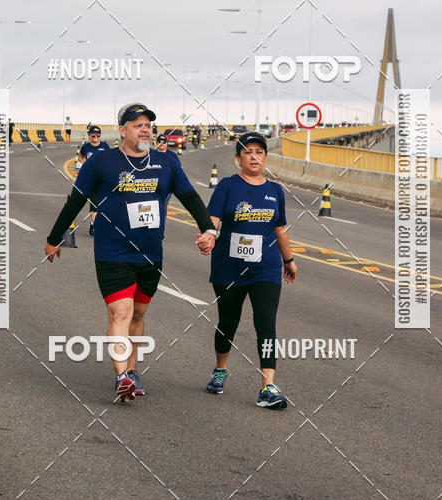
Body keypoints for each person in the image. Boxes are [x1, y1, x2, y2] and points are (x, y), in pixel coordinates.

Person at [45, 102, 216, 401]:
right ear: (122, 130)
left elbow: (189, 196)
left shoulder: (167, 163)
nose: (145, 128)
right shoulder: (101, 163)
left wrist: (209, 230)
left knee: (138, 314)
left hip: (150, 252)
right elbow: (75, 200)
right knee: (119, 312)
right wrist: (55, 236)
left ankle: (132, 371)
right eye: (137, 124)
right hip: (113, 252)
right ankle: (121, 375)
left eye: (148, 124)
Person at [205, 132, 297, 409]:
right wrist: (209, 235)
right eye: (248, 152)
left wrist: (288, 260)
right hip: (229, 267)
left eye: (259, 151)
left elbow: (279, 228)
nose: (254, 156)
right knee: (228, 322)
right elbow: (213, 219)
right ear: (238, 158)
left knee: (266, 323)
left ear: (265, 157)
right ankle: (220, 370)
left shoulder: (275, 191)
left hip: (265, 268)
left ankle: (268, 386)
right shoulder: (227, 187)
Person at [78, 125, 109, 236]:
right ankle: (94, 228)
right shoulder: (86, 147)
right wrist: (84, 164)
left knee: (104, 204)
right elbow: (80, 157)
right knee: (94, 205)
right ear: (89, 135)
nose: (95, 136)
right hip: (91, 180)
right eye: (93, 134)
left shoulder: (105, 146)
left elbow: (110, 159)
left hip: (104, 180)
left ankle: (97, 224)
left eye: (98, 134)